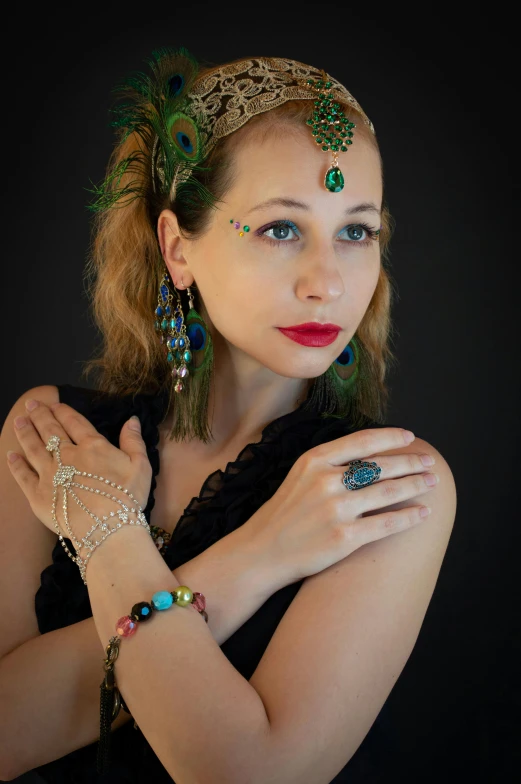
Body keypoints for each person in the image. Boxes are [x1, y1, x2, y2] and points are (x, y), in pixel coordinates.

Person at [0, 49, 456, 783]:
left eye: (357, 231)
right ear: (179, 248)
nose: (327, 283)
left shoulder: (384, 486)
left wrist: (104, 535)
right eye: (281, 229)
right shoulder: (58, 434)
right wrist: (260, 555)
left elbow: (242, 773)